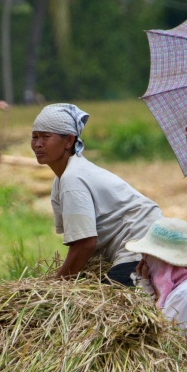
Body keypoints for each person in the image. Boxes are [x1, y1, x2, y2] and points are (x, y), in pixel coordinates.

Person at [31, 103, 163, 285]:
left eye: (46, 137)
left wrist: (56, 285)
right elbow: (79, 242)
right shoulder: (63, 179)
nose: (38, 144)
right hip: (137, 243)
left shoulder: (72, 179)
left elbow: (85, 243)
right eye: (34, 137)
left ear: (69, 141)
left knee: (110, 301)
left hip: (141, 245)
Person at [125, 217, 187, 362]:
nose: (143, 259)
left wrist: (144, 285)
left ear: (164, 260)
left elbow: (155, 336)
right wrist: (144, 282)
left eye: (148, 255)